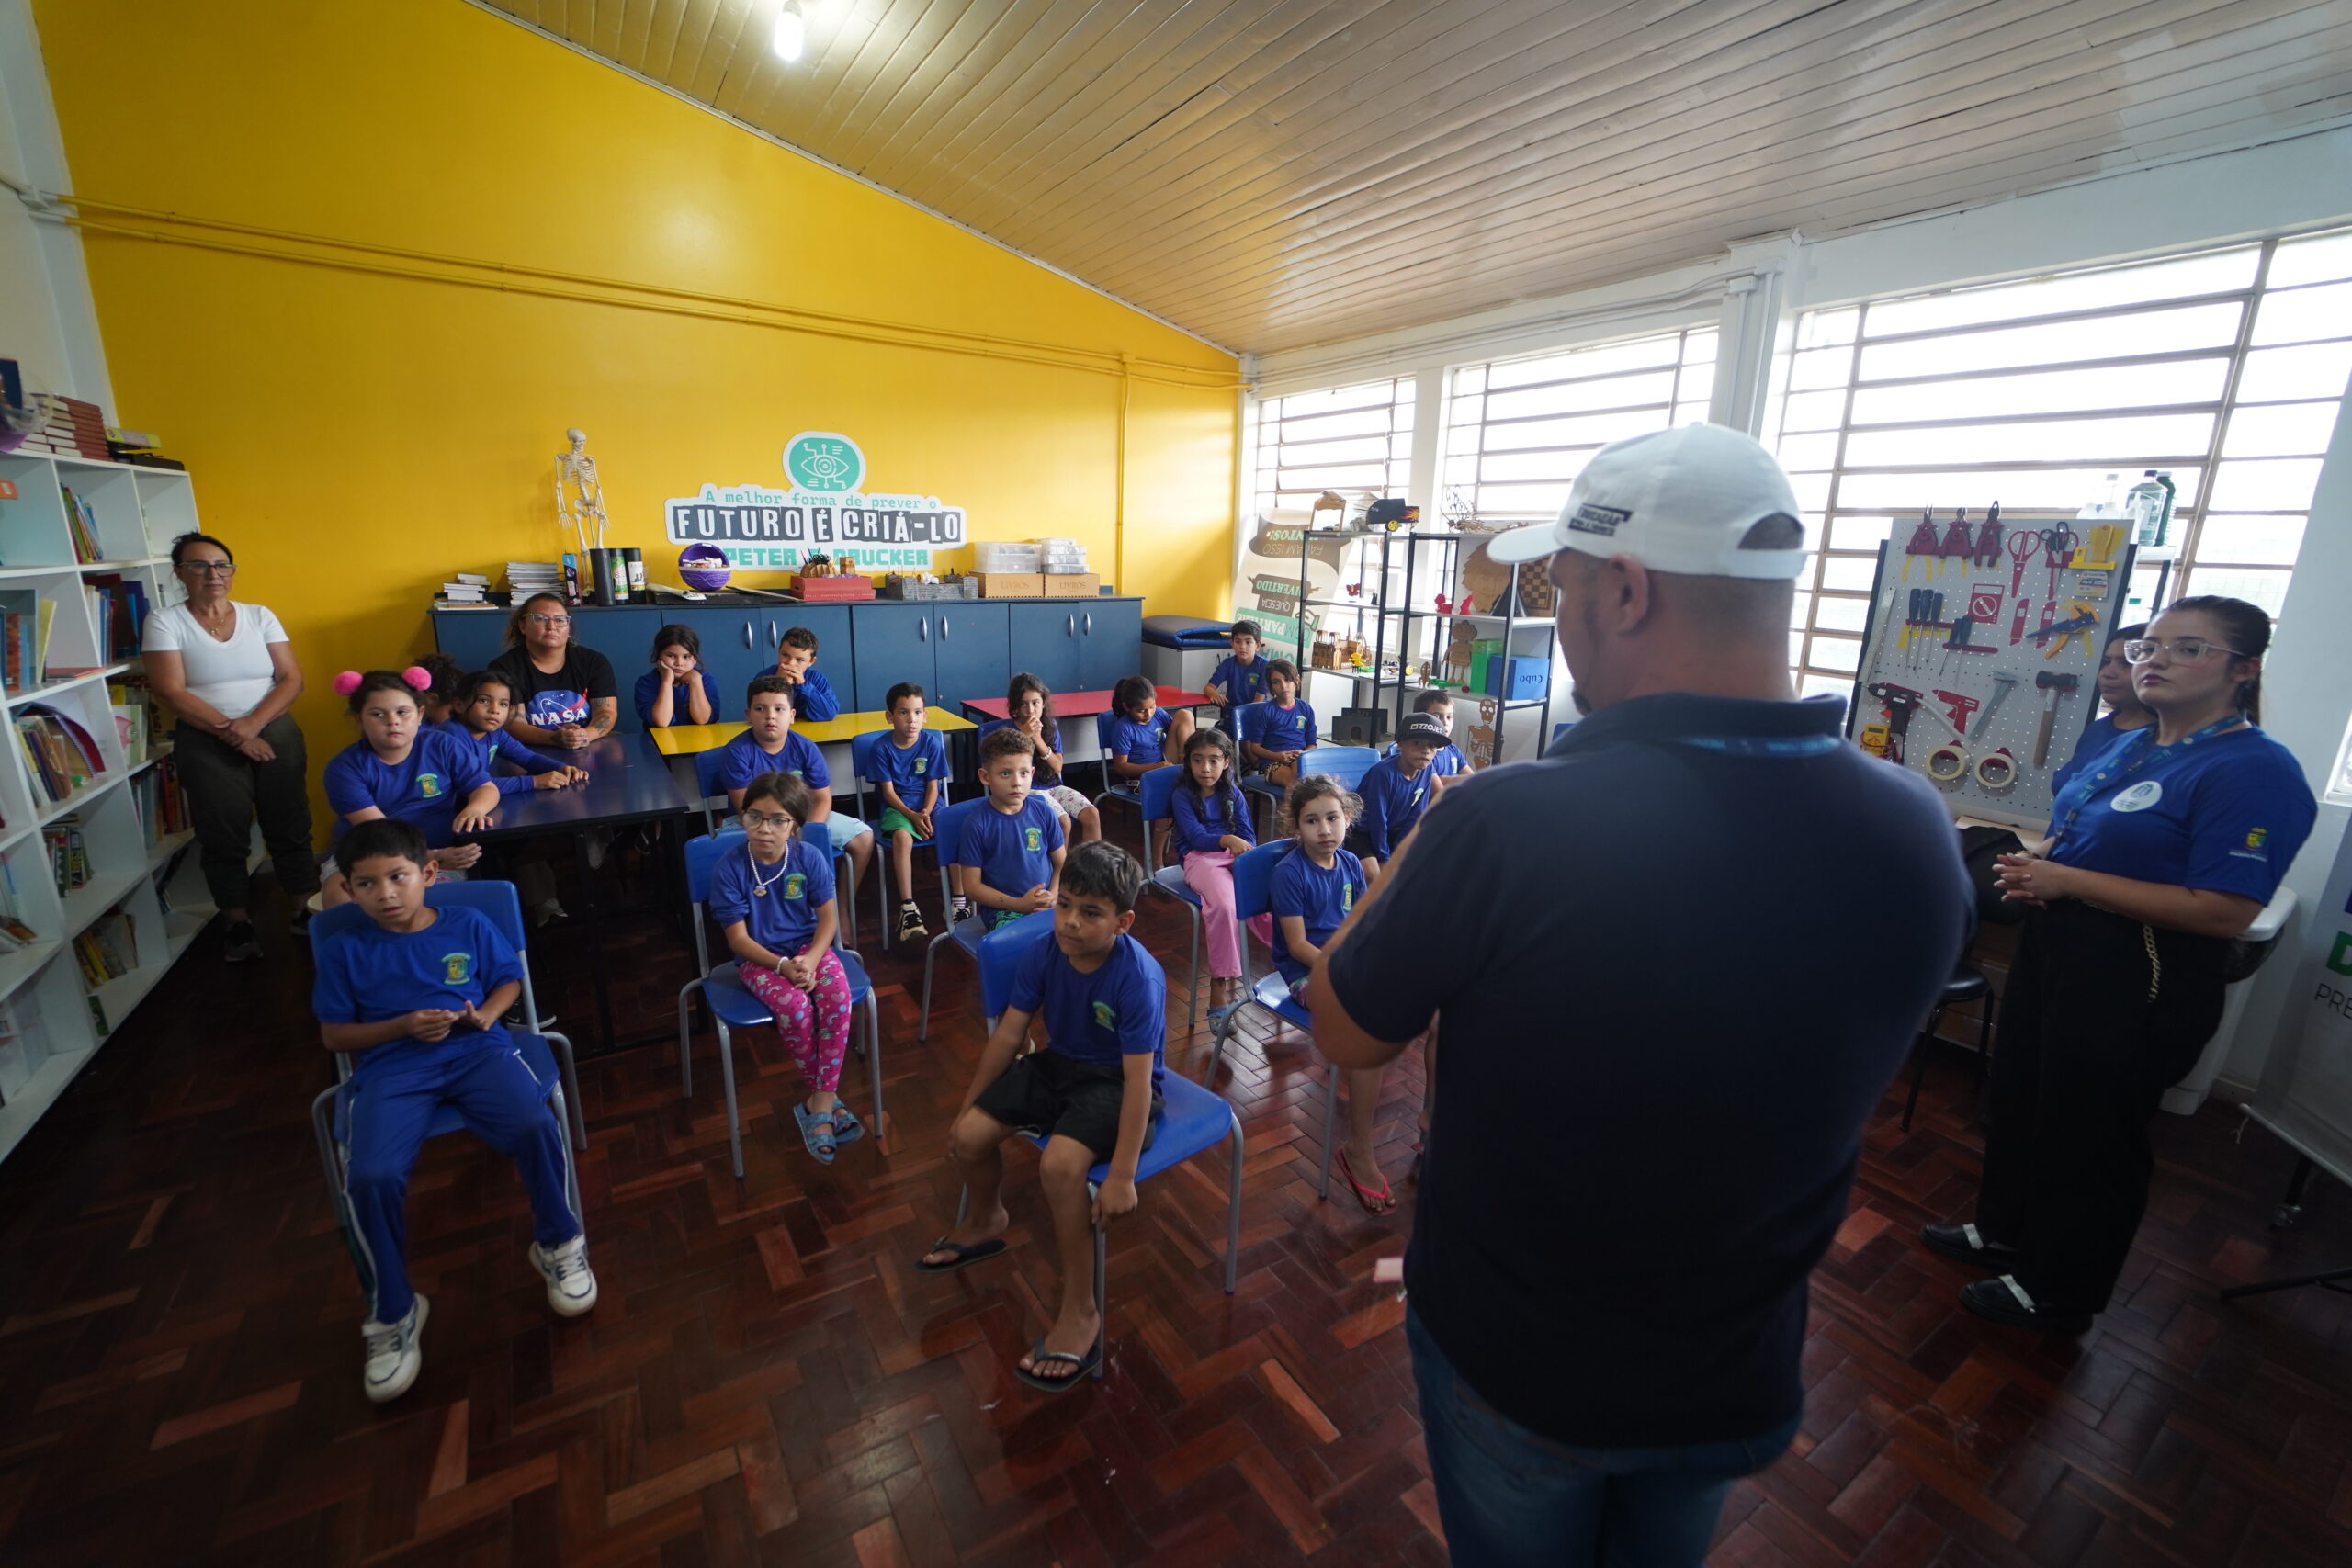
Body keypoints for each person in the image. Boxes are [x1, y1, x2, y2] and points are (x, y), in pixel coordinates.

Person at [1306, 424, 1969, 1566]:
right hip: (1733, 1372)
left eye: (1556, 585)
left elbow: (1346, 1031)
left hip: (1523, 1366)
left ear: (1623, 589)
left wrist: (1413, 853)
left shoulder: (1507, 823)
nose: (1555, 619)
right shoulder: (1912, 829)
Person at [1931, 597, 2317, 1335]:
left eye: (2187, 648)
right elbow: (2085, 835)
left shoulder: (2253, 769)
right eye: (2149, 648)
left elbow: (2225, 910)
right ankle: (2005, 1230)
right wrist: (2037, 861)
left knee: (2092, 1134)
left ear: (2244, 669)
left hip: (2139, 972)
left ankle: (2059, 1289)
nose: (2155, 661)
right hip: (2062, 946)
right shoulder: (2134, 743)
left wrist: (2069, 881)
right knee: (2023, 1096)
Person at [313, 816, 596, 1404]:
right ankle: (393, 1309)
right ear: (346, 888)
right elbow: (336, 1037)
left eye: (398, 877)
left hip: (477, 1050)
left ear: (429, 874)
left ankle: (559, 1242)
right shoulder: (344, 949)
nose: (385, 894)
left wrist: (489, 1015)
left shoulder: (466, 923)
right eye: (366, 885)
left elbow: (507, 981)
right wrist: (400, 1027)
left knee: (536, 1125)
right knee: (370, 1174)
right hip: (392, 1067)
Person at [915, 841, 1165, 1392]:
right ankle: (987, 1219)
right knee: (967, 1138)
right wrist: (969, 1107)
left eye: (1090, 913)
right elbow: (1009, 1034)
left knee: (1059, 1167)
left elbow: (1141, 1080)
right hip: (1060, 1066)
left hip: (1115, 1085)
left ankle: (1081, 1309)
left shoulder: (1136, 978)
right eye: (1065, 904)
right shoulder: (1047, 950)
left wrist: (1121, 1174)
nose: (1071, 922)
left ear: (1123, 921)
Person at [141, 531, 317, 961]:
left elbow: (291, 679)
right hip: (204, 737)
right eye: (199, 565)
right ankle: (237, 923)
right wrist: (230, 732)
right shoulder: (164, 621)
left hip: (271, 726)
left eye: (222, 565)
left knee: (290, 822)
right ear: (180, 572)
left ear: (232, 572)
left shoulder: (259, 616)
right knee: (223, 833)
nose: (213, 574)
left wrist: (252, 725)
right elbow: (169, 691)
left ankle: (305, 910)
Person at [707, 773, 863, 1164]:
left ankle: (818, 1102)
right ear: (742, 817)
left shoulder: (808, 856)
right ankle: (824, 1101)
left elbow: (828, 921)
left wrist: (809, 960)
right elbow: (738, 941)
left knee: (837, 996)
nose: (764, 829)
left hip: (806, 950)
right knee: (794, 1008)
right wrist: (781, 965)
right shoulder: (730, 868)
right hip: (759, 959)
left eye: (777, 820)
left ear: (794, 824)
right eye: (754, 817)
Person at [1267, 775, 1391, 1211]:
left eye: (1333, 818)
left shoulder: (1352, 865)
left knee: (1436, 1008)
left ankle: (1434, 1120)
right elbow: (1299, 946)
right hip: (1306, 974)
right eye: (1312, 821)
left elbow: (1358, 923)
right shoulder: (1289, 874)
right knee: (1369, 1031)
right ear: (1295, 827)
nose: (1324, 830)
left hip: (1347, 962)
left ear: (1347, 820)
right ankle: (1359, 1148)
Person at [320, 669, 502, 908]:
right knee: (342, 899)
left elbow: (486, 788)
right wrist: (432, 857)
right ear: (358, 719)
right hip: (368, 852)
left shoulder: (442, 745)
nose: (392, 721)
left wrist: (474, 809)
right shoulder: (345, 768)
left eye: (403, 712)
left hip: (440, 851)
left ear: (419, 715)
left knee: (445, 904)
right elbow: (381, 834)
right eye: (377, 714)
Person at [439, 669, 589, 926]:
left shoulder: (494, 733)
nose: (495, 710)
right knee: (533, 843)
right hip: (455, 822)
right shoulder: (451, 737)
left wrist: (558, 768)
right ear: (460, 703)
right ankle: (506, 913)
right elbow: (469, 787)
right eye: (485, 701)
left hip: (482, 813)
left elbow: (527, 757)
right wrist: (532, 782)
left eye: (504, 704)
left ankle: (529, 902)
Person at [716, 676, 875, 897]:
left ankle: (841, 909)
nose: (770, 716)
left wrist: (807, 830)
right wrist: (783, 831)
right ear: (749, 715)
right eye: (760, 708)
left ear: (791, 716)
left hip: (802, 817)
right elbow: (746, 808)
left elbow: (822, 799)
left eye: (779, 709)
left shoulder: (805, 747)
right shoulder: (736, 752)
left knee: (863, 837)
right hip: (753, 821)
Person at [1169, 728, 1262, 1011]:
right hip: (1200, 859)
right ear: (1188, 762)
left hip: (1233, 855)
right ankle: (1220, 983)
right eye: (1197, 760)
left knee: (1278, 892)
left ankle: (1293, 965)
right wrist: (1226, 840)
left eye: (1213, 760)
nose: (1205, 768)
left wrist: (1244, 851)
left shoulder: (1234, 793)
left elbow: (1249, 837)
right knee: (1224, 906)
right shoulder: (1182, 795)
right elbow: (1196, 838)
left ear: (1226, 762)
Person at [956, 728, 1067, 931]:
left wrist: (1054, 894)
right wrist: (1020, 905)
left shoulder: (1044, 811)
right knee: (1020, 947)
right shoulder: (977, 824)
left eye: (1023, 773)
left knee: (1080, 936)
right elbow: (972, 888)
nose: (1016, 782)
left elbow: (1062, 864)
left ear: (1032, 773)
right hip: (1003, 911)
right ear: (985, 776)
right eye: (1005, 773)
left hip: (1048, 903)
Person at [486, 592, 617, 750]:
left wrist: (582, 736)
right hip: (529, 751)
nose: (551, 626)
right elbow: (513, 724)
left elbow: (606, 712)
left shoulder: (594, 662)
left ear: (568, 629)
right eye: (540, 619)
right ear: (522, 626)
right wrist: (555, 738)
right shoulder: (504, 668)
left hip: (587, 745)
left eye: (560, 620)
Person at [869, 682, 948, 942]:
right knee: (902, 837)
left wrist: (925, 811)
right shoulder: (881, 748)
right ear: (890, 716)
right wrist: (913, 816)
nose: (911, 719)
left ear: (925, 715)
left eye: (917, 712)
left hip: (928, 804)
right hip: (898, 806)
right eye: (903, 712)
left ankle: (958, 903)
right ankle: (908, 907)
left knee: (955, 827)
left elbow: (933, 785)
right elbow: (889, 793)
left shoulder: (931, 742)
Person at [2049, 622, 2153, 797]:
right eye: (2107, 662)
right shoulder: (2098, 730)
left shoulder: (2165, 742)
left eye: (2126, 664)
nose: (2107, 673)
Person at [1001, 673, 1102, 844]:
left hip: (1052, 787)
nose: (1030, 710)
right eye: (1024, 704)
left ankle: (1092, 868)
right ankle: (1058, 870)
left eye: (1035, 703)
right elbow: (1007, 768)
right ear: (1015, 707)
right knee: (1063, 821)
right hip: (1024, 790)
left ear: (1043, 703)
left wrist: (1038, 739)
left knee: (1092, 814)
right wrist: (1025, 737)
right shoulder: (1007, 733)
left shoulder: (1050, 728)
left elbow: (1057, 767)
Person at [1348, 712, 1447, 881]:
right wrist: (1386, 858)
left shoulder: (1428, 770)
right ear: (1400, 744)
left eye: (1432, 745)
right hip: (1361, 833)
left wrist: (1400, 851)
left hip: (1392, 833)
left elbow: (1416, 815)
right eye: (1417, 743)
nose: (1426, 751)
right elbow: (1377, 820)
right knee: (1375, 875)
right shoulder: (1383, 773)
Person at [1239, 660, 1317, 785]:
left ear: (1296, 681)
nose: (1283, 686)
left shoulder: (1305, 709)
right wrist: (1278, 756)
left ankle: (1287, 805)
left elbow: (1312, 744)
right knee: (1297, 783)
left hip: (1300, 759)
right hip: (1272, 763)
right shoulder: (1265, 711)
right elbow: (1255, 748)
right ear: (1271, 687)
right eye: (1276, 682)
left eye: (1287, 680)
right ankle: (1289, 804)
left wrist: (1303, 754)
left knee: (1301, 772)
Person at [634, 623, 720, 729]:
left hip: (698, 742)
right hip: (658, 743)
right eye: (671, 656)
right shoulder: (646, 683)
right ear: (658, 655)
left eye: (686, 656)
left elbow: (703, 720)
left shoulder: (705, 679)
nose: (679, 663)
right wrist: (666, 682)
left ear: (695, 659)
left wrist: (696, 682)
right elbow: (662, 721)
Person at [772, 626, 842, 721]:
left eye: (800, 660)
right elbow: (760, 713)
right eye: (785, 655)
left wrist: (803, 685)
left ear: (811, 662)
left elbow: (829, 714)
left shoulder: (816, 678)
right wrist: (778, 684)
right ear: (779, 651)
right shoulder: (764, 677)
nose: (791, 663)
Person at [1203, 618, 1272, 711]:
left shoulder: (1265, 666)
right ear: (1232, 644)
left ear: (1258, 646)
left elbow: (1257, 702)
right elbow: (1208, 688)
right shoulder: (1228, 664)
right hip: (1231, 714)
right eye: (1238, 641)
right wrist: (1214, 694)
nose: (1243, 646)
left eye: (1248, 642)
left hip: (1256, 714)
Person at [1413, 689, 1470, 782]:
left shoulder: (1453, 749)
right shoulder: (1424, 754)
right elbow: (1441, 783)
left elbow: (1471, 776)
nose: (1445, 722)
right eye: (1437, 717)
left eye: (1449, 717)